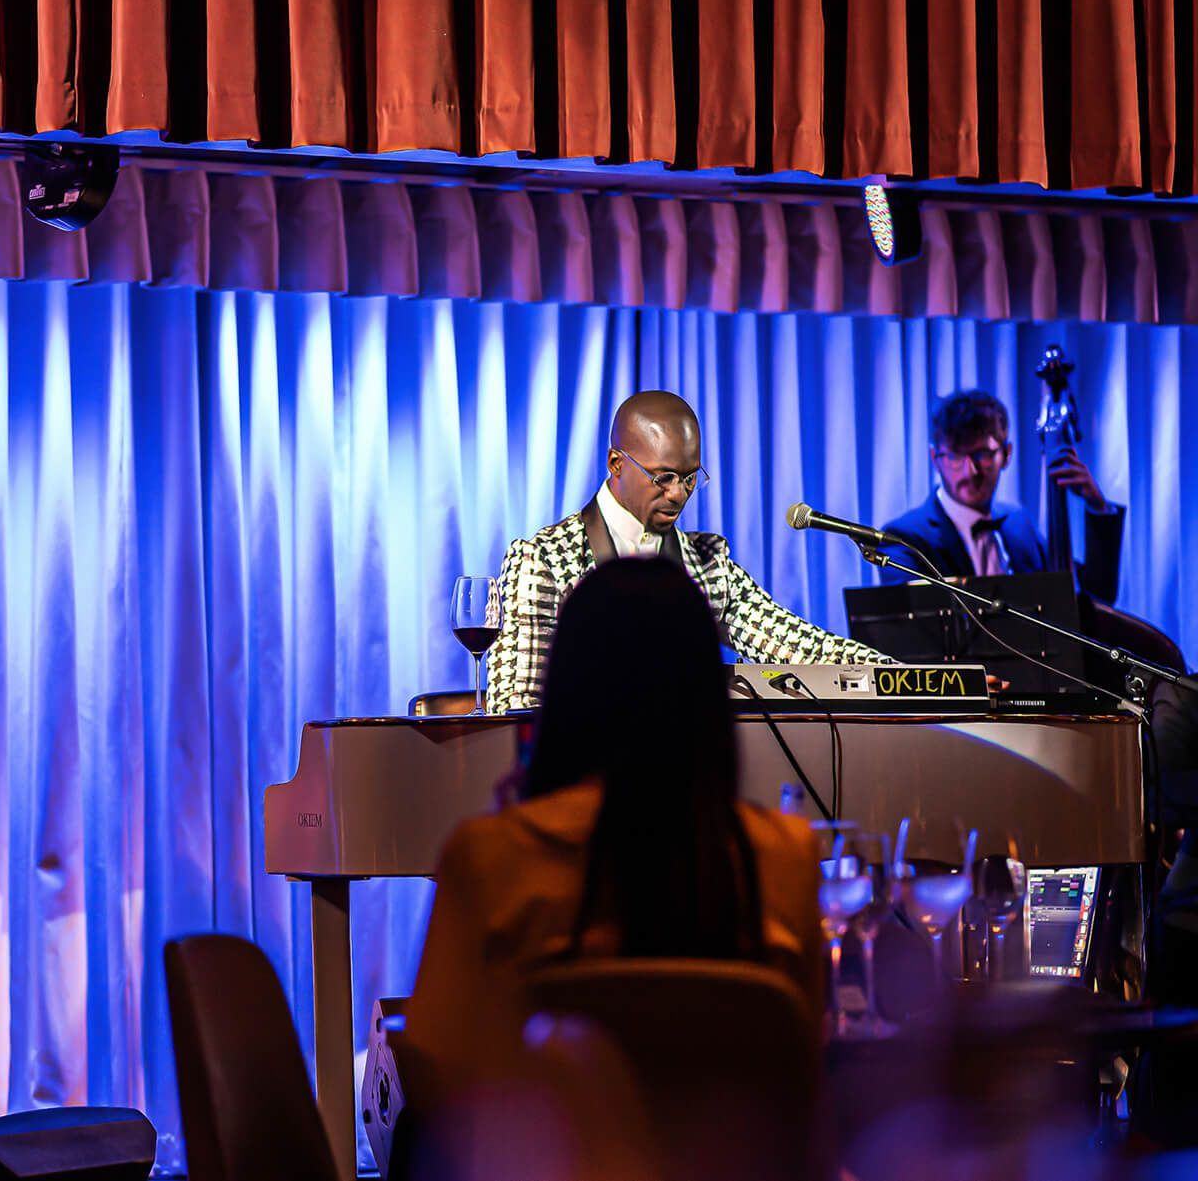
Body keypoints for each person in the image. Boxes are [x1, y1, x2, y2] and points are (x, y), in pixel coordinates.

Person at [405, 559, 824, 1102]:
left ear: (565, 689)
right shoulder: (788, 856)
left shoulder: (488, 858)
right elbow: (806, 1065)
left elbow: (437, 1076)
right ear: (705, 695)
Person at [487, 390, 887, 711]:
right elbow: (518, 708)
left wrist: (900, 674)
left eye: (690, 478)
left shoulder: (708, 563)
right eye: (663, 478)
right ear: (616, 463)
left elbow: (798, 646)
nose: (678, 494)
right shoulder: (545, 559)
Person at [876, 388, 1122, 600]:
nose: (970, 471)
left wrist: (1097, 506)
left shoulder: (1019, 524)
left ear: (1006, 454)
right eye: (955, 456)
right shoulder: (903, 539)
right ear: (935, 458)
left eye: (983, 454)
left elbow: (1096, 595)